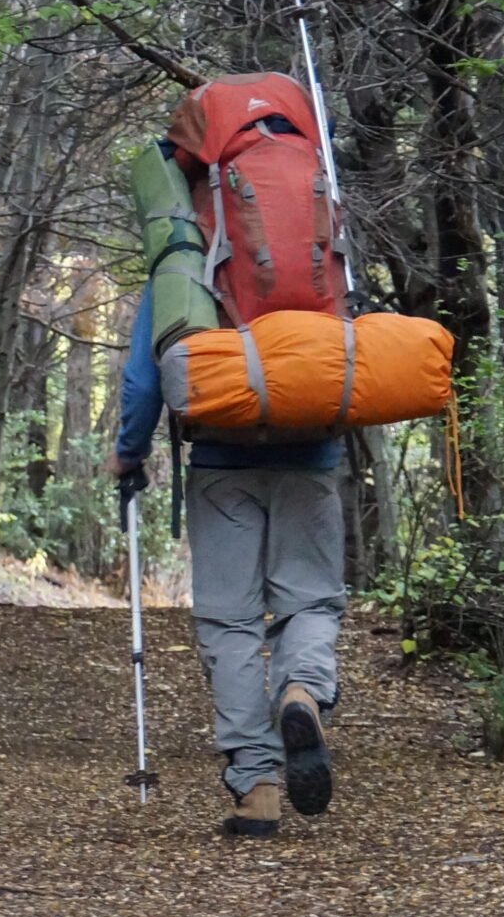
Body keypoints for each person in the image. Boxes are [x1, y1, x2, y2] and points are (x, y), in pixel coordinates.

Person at [108, 283, 343, 839]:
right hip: (310, 455)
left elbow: (146, 375)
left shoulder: (181, 264)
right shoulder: (318, 248)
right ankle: (301, 692)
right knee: (309, 600)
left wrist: (129, 451)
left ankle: (255, 787)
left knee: (230, 622)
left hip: (221, 460)